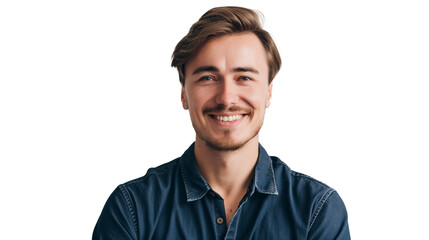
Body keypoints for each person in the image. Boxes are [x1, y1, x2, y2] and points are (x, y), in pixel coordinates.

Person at [93, 6, 350, 239]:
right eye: (207, 78)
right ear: (183, 93)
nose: (226, 98)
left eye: (244, 78)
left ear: (268, 91)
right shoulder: (132, 210)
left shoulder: (317, 210)